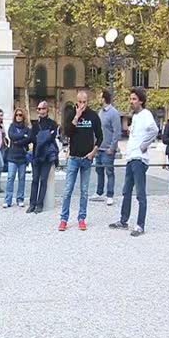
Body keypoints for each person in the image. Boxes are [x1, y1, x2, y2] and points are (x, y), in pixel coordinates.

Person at [109, 87, 159, 237]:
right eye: (130, 99)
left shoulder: (146, 114)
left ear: (141, 101)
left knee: (140, 193)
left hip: (139, 158)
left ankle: (140, 225)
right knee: (126, 190)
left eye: (134, 99)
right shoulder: (136, 116)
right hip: (132, 157)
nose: (131, 102)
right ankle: (123, 220)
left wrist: (144, 145)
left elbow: (154, 130)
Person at [58, 90, 103, 232]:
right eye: (80, 102)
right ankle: (63, 219)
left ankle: (81, 218)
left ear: (87, 101)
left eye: (84, 102)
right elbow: (68, 133)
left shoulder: (93, 116)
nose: (82, 105)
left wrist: (93, 152)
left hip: (86, 159)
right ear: (76, 101)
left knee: (84, 191)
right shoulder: (72, 114)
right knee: (67, 190)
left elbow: (100, 137)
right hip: (73, 158)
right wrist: (76, 117)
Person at [90, 89, 121, 206]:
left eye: (100, 97)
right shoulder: (100, 112)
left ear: (104, 99)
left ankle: (110, 194)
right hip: (99, 148)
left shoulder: (113, 113)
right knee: (99, 171)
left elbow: (117, 132)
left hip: (108, 149)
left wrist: (112, 147)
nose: (98, 99)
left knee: (109, 172)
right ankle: (99, 192)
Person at [27, 101, 58, 214]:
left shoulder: (53, 123)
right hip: (36, 154)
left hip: (47, 155)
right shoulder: (34, 124)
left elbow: (52, 137)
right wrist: (45, 136)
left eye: (43, 108)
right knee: (35, 180)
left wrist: (40, 137)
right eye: (39, 109)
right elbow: (32, 138)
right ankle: (32, 204)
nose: (41, 111)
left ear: (47, 110)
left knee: (43, 180)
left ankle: (40, 204)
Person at [3, 108, 30, 208]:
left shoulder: (26, 128)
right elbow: (11, 136)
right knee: (10, 178)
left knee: (22, 178)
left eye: (20, 115)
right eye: (17, 115)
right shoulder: (12, 126)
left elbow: (28, 139)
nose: (18, 117)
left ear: (23, 117)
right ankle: (8, 200)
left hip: (22, 156)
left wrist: (18, 140)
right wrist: (22, 136)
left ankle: (20, 199)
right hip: (12, 156)